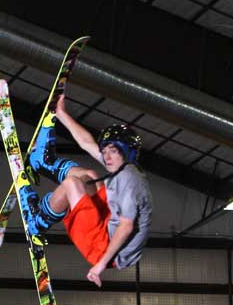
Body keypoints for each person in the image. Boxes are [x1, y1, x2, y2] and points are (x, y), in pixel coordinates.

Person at [19, 95, 152, 287]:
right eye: (105, 150)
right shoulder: (122, 165)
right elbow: (87, 144)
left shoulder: (131, 183)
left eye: (111, 151)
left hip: (105, 248)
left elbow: (126, 227)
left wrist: (100, 265)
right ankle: (42, 162)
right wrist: (61, 114)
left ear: (125, 151)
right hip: (108, 224)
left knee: (72, 184)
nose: (105, 156)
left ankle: (37, 221)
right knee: (89, 175)